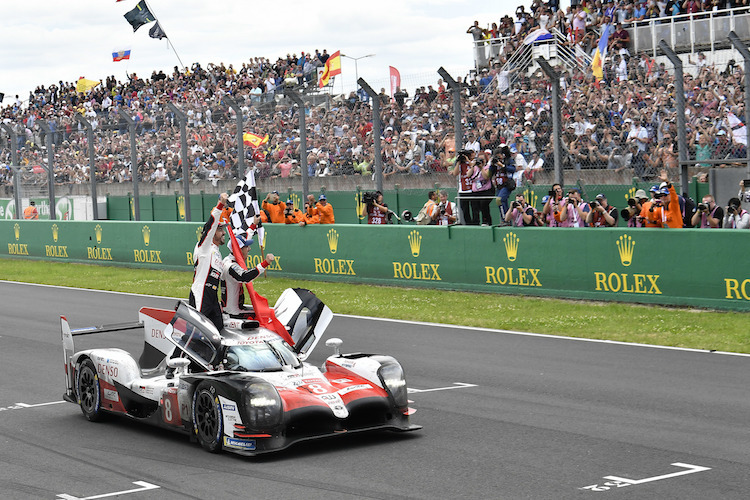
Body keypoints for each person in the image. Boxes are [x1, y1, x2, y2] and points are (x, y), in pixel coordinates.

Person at [190, 193, 229, 331]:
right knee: (196, 332)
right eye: (220, 229)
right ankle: (178, 353)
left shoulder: (217, 252)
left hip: (213, 296)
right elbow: (209, 227)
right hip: (201, 293)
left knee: (218, 330)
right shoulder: (204, 247)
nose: (223, 233)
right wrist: (220, 205)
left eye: (223, 229)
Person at [221, 231, 275, 318]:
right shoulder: (230, 266)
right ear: (239, 250)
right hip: (233, 313)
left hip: (233, 310)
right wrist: (265, 263)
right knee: (268, 315)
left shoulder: (228, 260)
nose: (249, 249)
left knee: (265, 312)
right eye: (246, 247)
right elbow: (245, 277)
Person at [451, 149, 476, 224]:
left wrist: (467, 160)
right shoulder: (460, 164)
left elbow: (474, 168)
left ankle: (475, 223)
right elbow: (455, 173)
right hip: (463, 189)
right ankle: (468, 224)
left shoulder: (473, 162)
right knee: (465, 210)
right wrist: (458, 162)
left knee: (475, 208)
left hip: (473, 189)